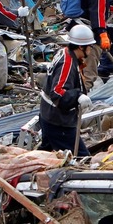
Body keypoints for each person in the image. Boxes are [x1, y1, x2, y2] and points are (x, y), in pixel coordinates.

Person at [40, 24, 95, 155]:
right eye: (90, 46)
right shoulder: (67, 63)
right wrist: (77, 95)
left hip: (49, 115)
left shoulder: (65, 53)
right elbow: (58, 92)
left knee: (46, 154)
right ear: (81, 47)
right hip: (57, 121)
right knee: (82, 157)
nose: (91, 49)